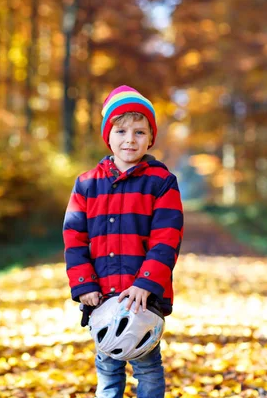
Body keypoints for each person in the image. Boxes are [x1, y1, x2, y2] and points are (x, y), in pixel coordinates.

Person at [63, 85, 184, 397]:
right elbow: (74, 237)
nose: (130, 139)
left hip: (142, 298)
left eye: (140, 132)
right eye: (121, 130)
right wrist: (84, 283)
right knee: (107, 367)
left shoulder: (161, 182)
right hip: (101, 297)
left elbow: (166, 238)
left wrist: (146, 282)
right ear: (108, 136)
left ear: (151, 138)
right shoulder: (87, 184)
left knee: (147, 366)